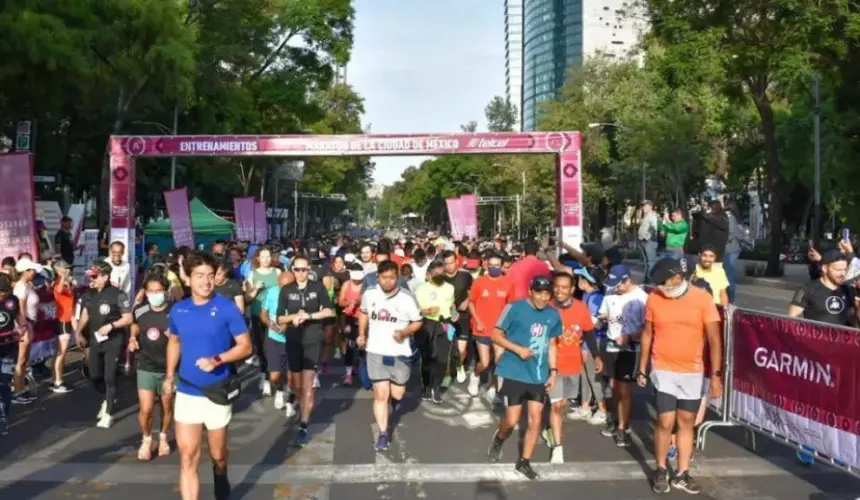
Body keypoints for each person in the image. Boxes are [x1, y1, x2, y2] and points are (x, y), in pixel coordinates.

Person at [164, 251, 252, 500]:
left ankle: (220, 473)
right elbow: (174, 342)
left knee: (218, 454)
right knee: (188, 456)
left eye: (210, 275)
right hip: (188, 390)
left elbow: (245, 346)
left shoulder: (227, 308)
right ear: (188, 279)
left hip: (217, 391)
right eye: (199, 275)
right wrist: (170, 376)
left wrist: (218, 359)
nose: (206, 281)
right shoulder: (179, 310)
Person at [638, 258, 723, 495]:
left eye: (663, 283)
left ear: (677, 278)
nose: (660, 288)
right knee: (665, 421)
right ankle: (661, 468)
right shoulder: (654, 298)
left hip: (693, 371)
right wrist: (642, 367)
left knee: (686, 421)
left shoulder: (702, 299)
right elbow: (647, 334)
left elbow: (715, 339)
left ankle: (682, 472)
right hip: (663, 368)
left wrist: (715, 375)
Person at [487, 276, 562, 480]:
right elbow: (495, 335)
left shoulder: (553, 315)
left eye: (547, 294)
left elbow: (553, 344)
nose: (542, 298)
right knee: (511, 420)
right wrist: (517, 350)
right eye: (539, 293)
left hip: (537, 374)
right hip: (513, 371)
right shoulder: (514, 308)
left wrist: (553, 371)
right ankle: (499, 437)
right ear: (531, 291)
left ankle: (524, 462)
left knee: (535, 419)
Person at [358, 260, 423, 451]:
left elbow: (418, 321)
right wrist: (362, 334)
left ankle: (395, 403)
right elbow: (363, 313)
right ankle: (383, 433)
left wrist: (404, 333)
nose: (388, 282)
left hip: (399, 352)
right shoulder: (370, 293)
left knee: (397, 393)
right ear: (378, 277)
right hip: (376, 350)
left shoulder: (407, 298)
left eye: (392, 278)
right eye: (384, 278)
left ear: (398, 277)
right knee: (380, 395)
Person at [276, 255, 335, 447]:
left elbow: (329, 311)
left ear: (308, 269)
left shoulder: (317, 287)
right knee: (296, 384)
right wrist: (293, 317)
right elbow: (279, 318)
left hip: (311, 340)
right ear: (292, 270)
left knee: (308, 386)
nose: (300, 273)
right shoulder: (286, 290)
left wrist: (308, 316)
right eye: (297, 270)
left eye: (303, 270)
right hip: (293, 339)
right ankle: (300, 400)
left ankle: (303, 424)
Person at [546, 272, 601, 463]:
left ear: (572, 290)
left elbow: (588, 333)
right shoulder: (547, 307)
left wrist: (596, 355)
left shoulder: (580, 308)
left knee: (563, 405)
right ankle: (558, 447)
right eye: (557, 286)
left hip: (573, 364)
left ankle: (551, 430)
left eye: (564, 287)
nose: (559, 291)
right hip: (551, 365)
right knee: (556, 405)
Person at [75, 261, 134, 428]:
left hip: (114, 341)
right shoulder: (88, 295)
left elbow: (128, 318)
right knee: (94, 376)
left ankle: (108, 413)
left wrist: (111, 326)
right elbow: (85, 314)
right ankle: (108, 396)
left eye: (94, 276)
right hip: (95, 341)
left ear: (105, 277)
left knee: (110, 376)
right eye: (90, 276)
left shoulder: (118, 294)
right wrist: (78, 332)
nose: (91, 279)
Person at [598, 264, 648, 447]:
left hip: (630, 348)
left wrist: (629, 337)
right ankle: (616, 419)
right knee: (613, 386)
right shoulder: (610, 294)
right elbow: (603, 315)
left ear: (628, 281)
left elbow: (647, 327)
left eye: (618, 285)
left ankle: (623, 427)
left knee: (624, 389)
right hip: (611, 345)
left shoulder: (642, 298)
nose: (615, 288)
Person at [129, 271, 174, 460]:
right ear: (146, 292)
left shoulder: (175, 311)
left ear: (166, 291)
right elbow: (135, 325)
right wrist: (132, 338)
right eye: (151, 291)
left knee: (166, 406)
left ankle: (163, 437)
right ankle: (147, 439)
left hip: (168, 368)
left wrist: (176, 335)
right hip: (146, 365)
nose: (155, 295)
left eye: (159, 291)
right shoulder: (140, 310)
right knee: (146, 409)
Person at [467, 252, 514, 400]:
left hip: (499, 330)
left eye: (497, 266)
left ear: (502, 266)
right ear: (486, 264)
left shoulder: (508, 283)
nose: (494, 268)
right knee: (485, 362)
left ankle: (493, 387)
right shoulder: (479, 282)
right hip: (482, 328)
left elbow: (511, 306)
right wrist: (478, 320)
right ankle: (475, 375)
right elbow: (471, 302)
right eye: (491, 265)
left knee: (499, 361)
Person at [570, 267, 609, 425]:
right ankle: (585, 407)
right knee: (583, 376)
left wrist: (585, 345)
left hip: (594, 342)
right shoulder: (587, 295)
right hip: (584, 342)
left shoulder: (596, 298)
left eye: (581, 277)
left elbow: (592, 325)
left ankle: (602, 409)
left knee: (593, 377)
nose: (578, 280)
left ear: (588, 281)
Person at [414, 261, 457, 403]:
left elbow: (452, 304)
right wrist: (427, 311)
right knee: (427, 358)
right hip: (427, 324)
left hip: (444, 324)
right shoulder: (421, 289)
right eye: (436, 273)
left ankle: (436, 387)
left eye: (441, 273)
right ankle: (426, 386)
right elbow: (415, 311)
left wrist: (454, 312)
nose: (439, 275)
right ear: (429, 274)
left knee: (442, 359)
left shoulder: (449, 287)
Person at [244, 246, 281, 387]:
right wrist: (256, 288)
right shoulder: (252, 274)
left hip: (274, 314)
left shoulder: (278, 272)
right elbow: (247, 298)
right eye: (263, 257)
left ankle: (274, 373)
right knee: (261, 346)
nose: (266, 259)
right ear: (258, 258)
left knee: (273, 345)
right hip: (257, 313)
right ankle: (264, 375)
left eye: (268, 256)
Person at [260, 270, 296, 416]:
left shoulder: (298, 295)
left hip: (293, 339)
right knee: (275, 376)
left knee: (291, 377)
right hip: (273, 338)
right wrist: (269, 323)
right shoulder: (271, 292)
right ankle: (280, 390)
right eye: (282, 286)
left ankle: (290, 402)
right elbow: (263, 314)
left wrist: (288, 325)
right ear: (277, 283)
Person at [0, 273, 27, 436]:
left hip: (8, 347)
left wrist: (22, 329)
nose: (2, 294)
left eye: (5, 291)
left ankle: (3, 417)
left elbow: (21, 320)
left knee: (4, 385)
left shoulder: (13, 301)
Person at [12, 258, 42, 404]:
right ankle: (17, 392)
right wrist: (23, 328)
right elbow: (20, 309)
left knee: (24, 361)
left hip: (30, 325)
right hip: (24, 326)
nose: (34, 272)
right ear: (24, 272)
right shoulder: (20, 287)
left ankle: (21, 389)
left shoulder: (27, 285)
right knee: (21, 359)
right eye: (31, 270)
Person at [441, 250, 473, 384]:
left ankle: (460, 366)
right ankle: (447, 372)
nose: (449, 266)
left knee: (461, 349)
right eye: (446, 263)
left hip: (463, 317)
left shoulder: (465, 276)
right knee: (447, 347)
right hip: (446, 317)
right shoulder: (440, 278)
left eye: (451, 262)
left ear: (456, 261)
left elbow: (474, 291)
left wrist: (468, 300)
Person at [51, 260, 77, 393]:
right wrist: (63, 277)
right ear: (59, 270)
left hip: (66, 320)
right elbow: (59, 289)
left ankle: (55, 379)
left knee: (59, 352)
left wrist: (69, 281)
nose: (68, 270)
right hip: (62, 321)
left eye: (69, 268)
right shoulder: (57, 284)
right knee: (62, 352)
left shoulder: (67, 285)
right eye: (65, 268)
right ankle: (58, 382)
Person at [337, 263, 364, 385]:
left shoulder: (365, 285)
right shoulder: (346, 285)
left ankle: (359, 366)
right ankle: (348, 374)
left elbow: (368, 299)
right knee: (349, 346)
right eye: (355, 280)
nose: (357, 282)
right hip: (349, 318)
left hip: (363, 318)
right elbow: (340, 302)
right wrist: (349, 303)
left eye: (359, 280)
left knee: (361, 345)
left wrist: (358, 301)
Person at [638, 200, 660, 282]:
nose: (644, 207)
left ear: (651, 206)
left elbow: (655, 228)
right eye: (643, 206)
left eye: (646, 206)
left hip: (649, 241)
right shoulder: (646, 216)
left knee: (650, 262)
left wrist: (648, 236)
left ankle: (650, 279)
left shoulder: (652, 215)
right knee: (646, 262)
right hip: (643, 241)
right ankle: (647, 279)